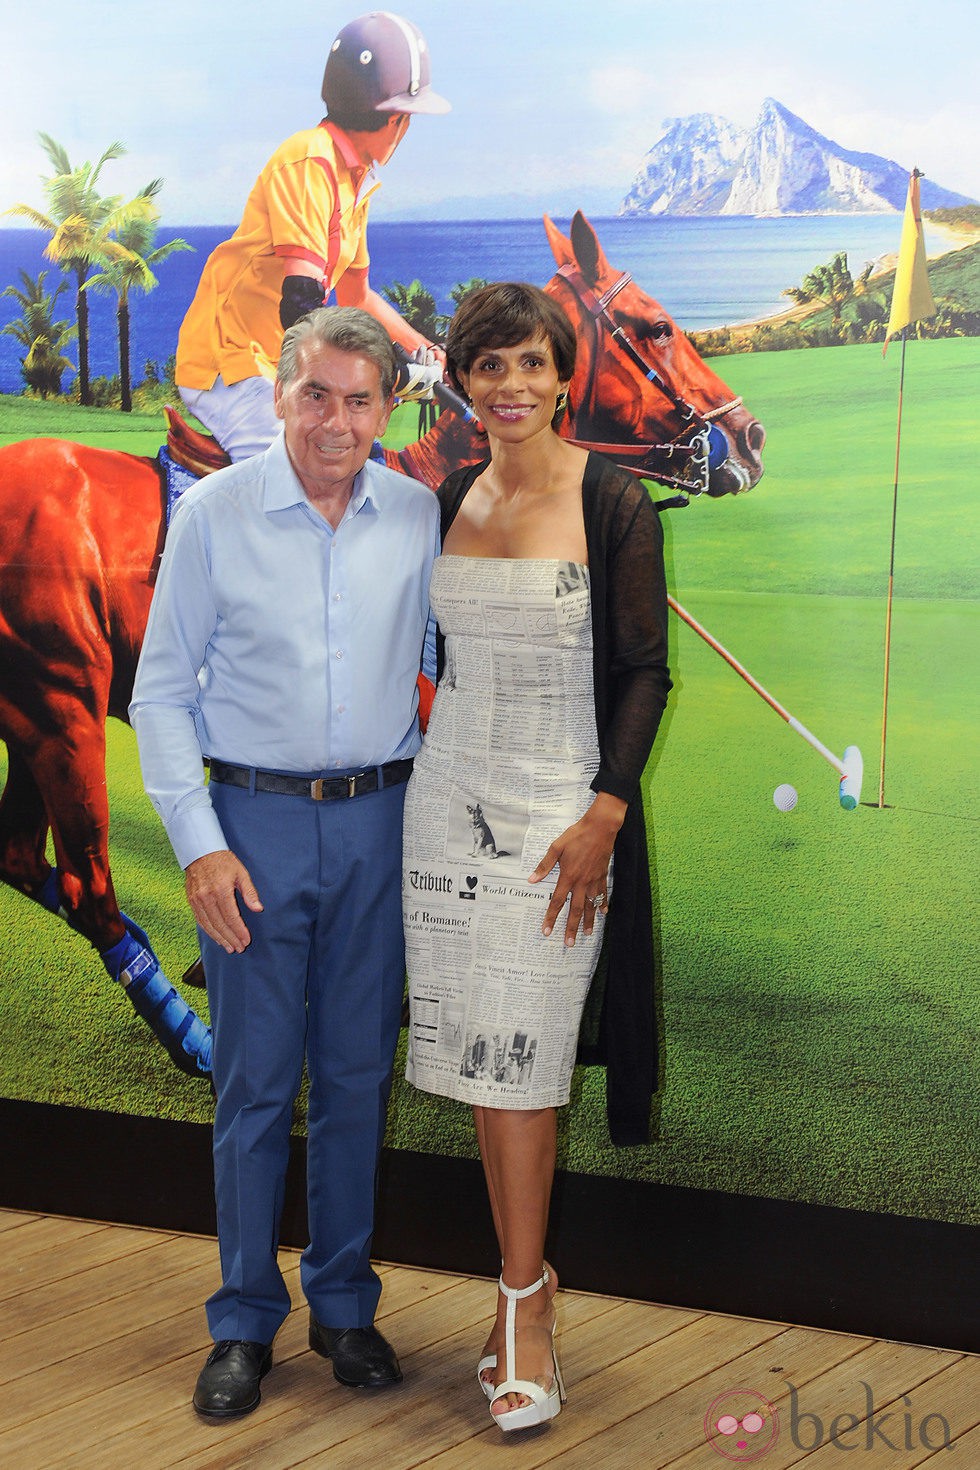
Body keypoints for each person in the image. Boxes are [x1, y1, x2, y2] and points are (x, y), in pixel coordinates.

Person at [131, 306, 440, 1419]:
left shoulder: (416, 514)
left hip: (379, 825)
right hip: (249, 831)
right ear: (278, 395)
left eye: (362, 400)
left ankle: (345, 1307)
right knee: (255, 1084)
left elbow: (450, 659)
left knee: (356, 1078)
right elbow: (160, 693)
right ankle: (243, 1322)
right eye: (317, 394)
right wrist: (200, 850)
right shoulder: (213, 514)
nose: (337, 420)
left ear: (386, 408)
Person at [401, 283, 671, 1432]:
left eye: (529, 364)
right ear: (461, 380)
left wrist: (605, 810)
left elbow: (646, 671)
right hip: (444, 803)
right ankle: (524, 1286)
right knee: (479, 1058)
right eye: (487, 367)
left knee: (521, 1062)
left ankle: (523, 1305)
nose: (509, 386)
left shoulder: (612, 501)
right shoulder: (452, 494)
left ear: (565, 376)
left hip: (559, 821)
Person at [175, 11, 449, 463]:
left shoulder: (355, 180)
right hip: (234, 364)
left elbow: (356, 296)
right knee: (306, 474)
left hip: (279, 364)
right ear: (393, 118)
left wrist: (424, 351)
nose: (406, 131)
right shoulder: (309, 161)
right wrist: (386, 366)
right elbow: (301, 304)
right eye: (408, 118)